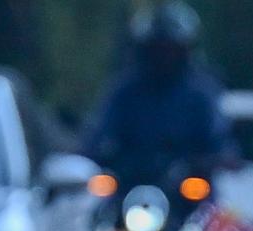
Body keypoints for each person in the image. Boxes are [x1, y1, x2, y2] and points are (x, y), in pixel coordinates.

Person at [87, 2, 233, 192]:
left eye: (169, 50)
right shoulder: (125, 90)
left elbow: (218, 137)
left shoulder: (201, 93)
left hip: (184, 191)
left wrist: (217, 159)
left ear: (185, 51)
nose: (163, 57)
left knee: (211, 208)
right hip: (129, 185)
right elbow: (99, 133)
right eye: (156, 49)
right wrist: (91, 154)